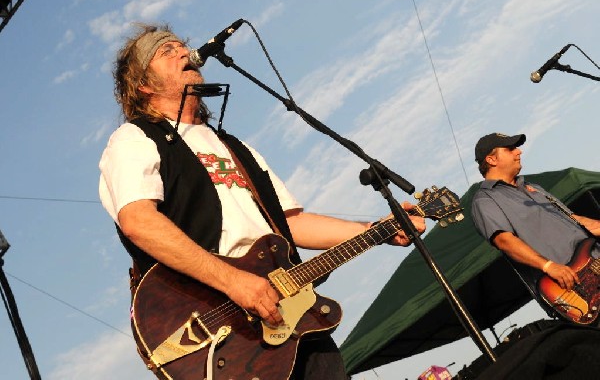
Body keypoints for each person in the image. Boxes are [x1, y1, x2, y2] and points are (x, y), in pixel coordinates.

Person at [98, 23, 426, 379]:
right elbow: (138, 222)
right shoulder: (134, 139)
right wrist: (234, 282)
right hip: (221, 330)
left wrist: (375, 229)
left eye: (181, 46)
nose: (181, 51)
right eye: (165, 51)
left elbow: (291, 224)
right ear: (143, 84)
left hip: (294, 317)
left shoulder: (234, 147)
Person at [470, 132, 600, 319]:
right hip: (574, 288)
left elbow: (577, 221)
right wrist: (547, 266)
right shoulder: (486, 200)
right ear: (491, 159)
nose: (519, 152)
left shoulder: (536, 189)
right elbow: (505, 241)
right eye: (510, 149)